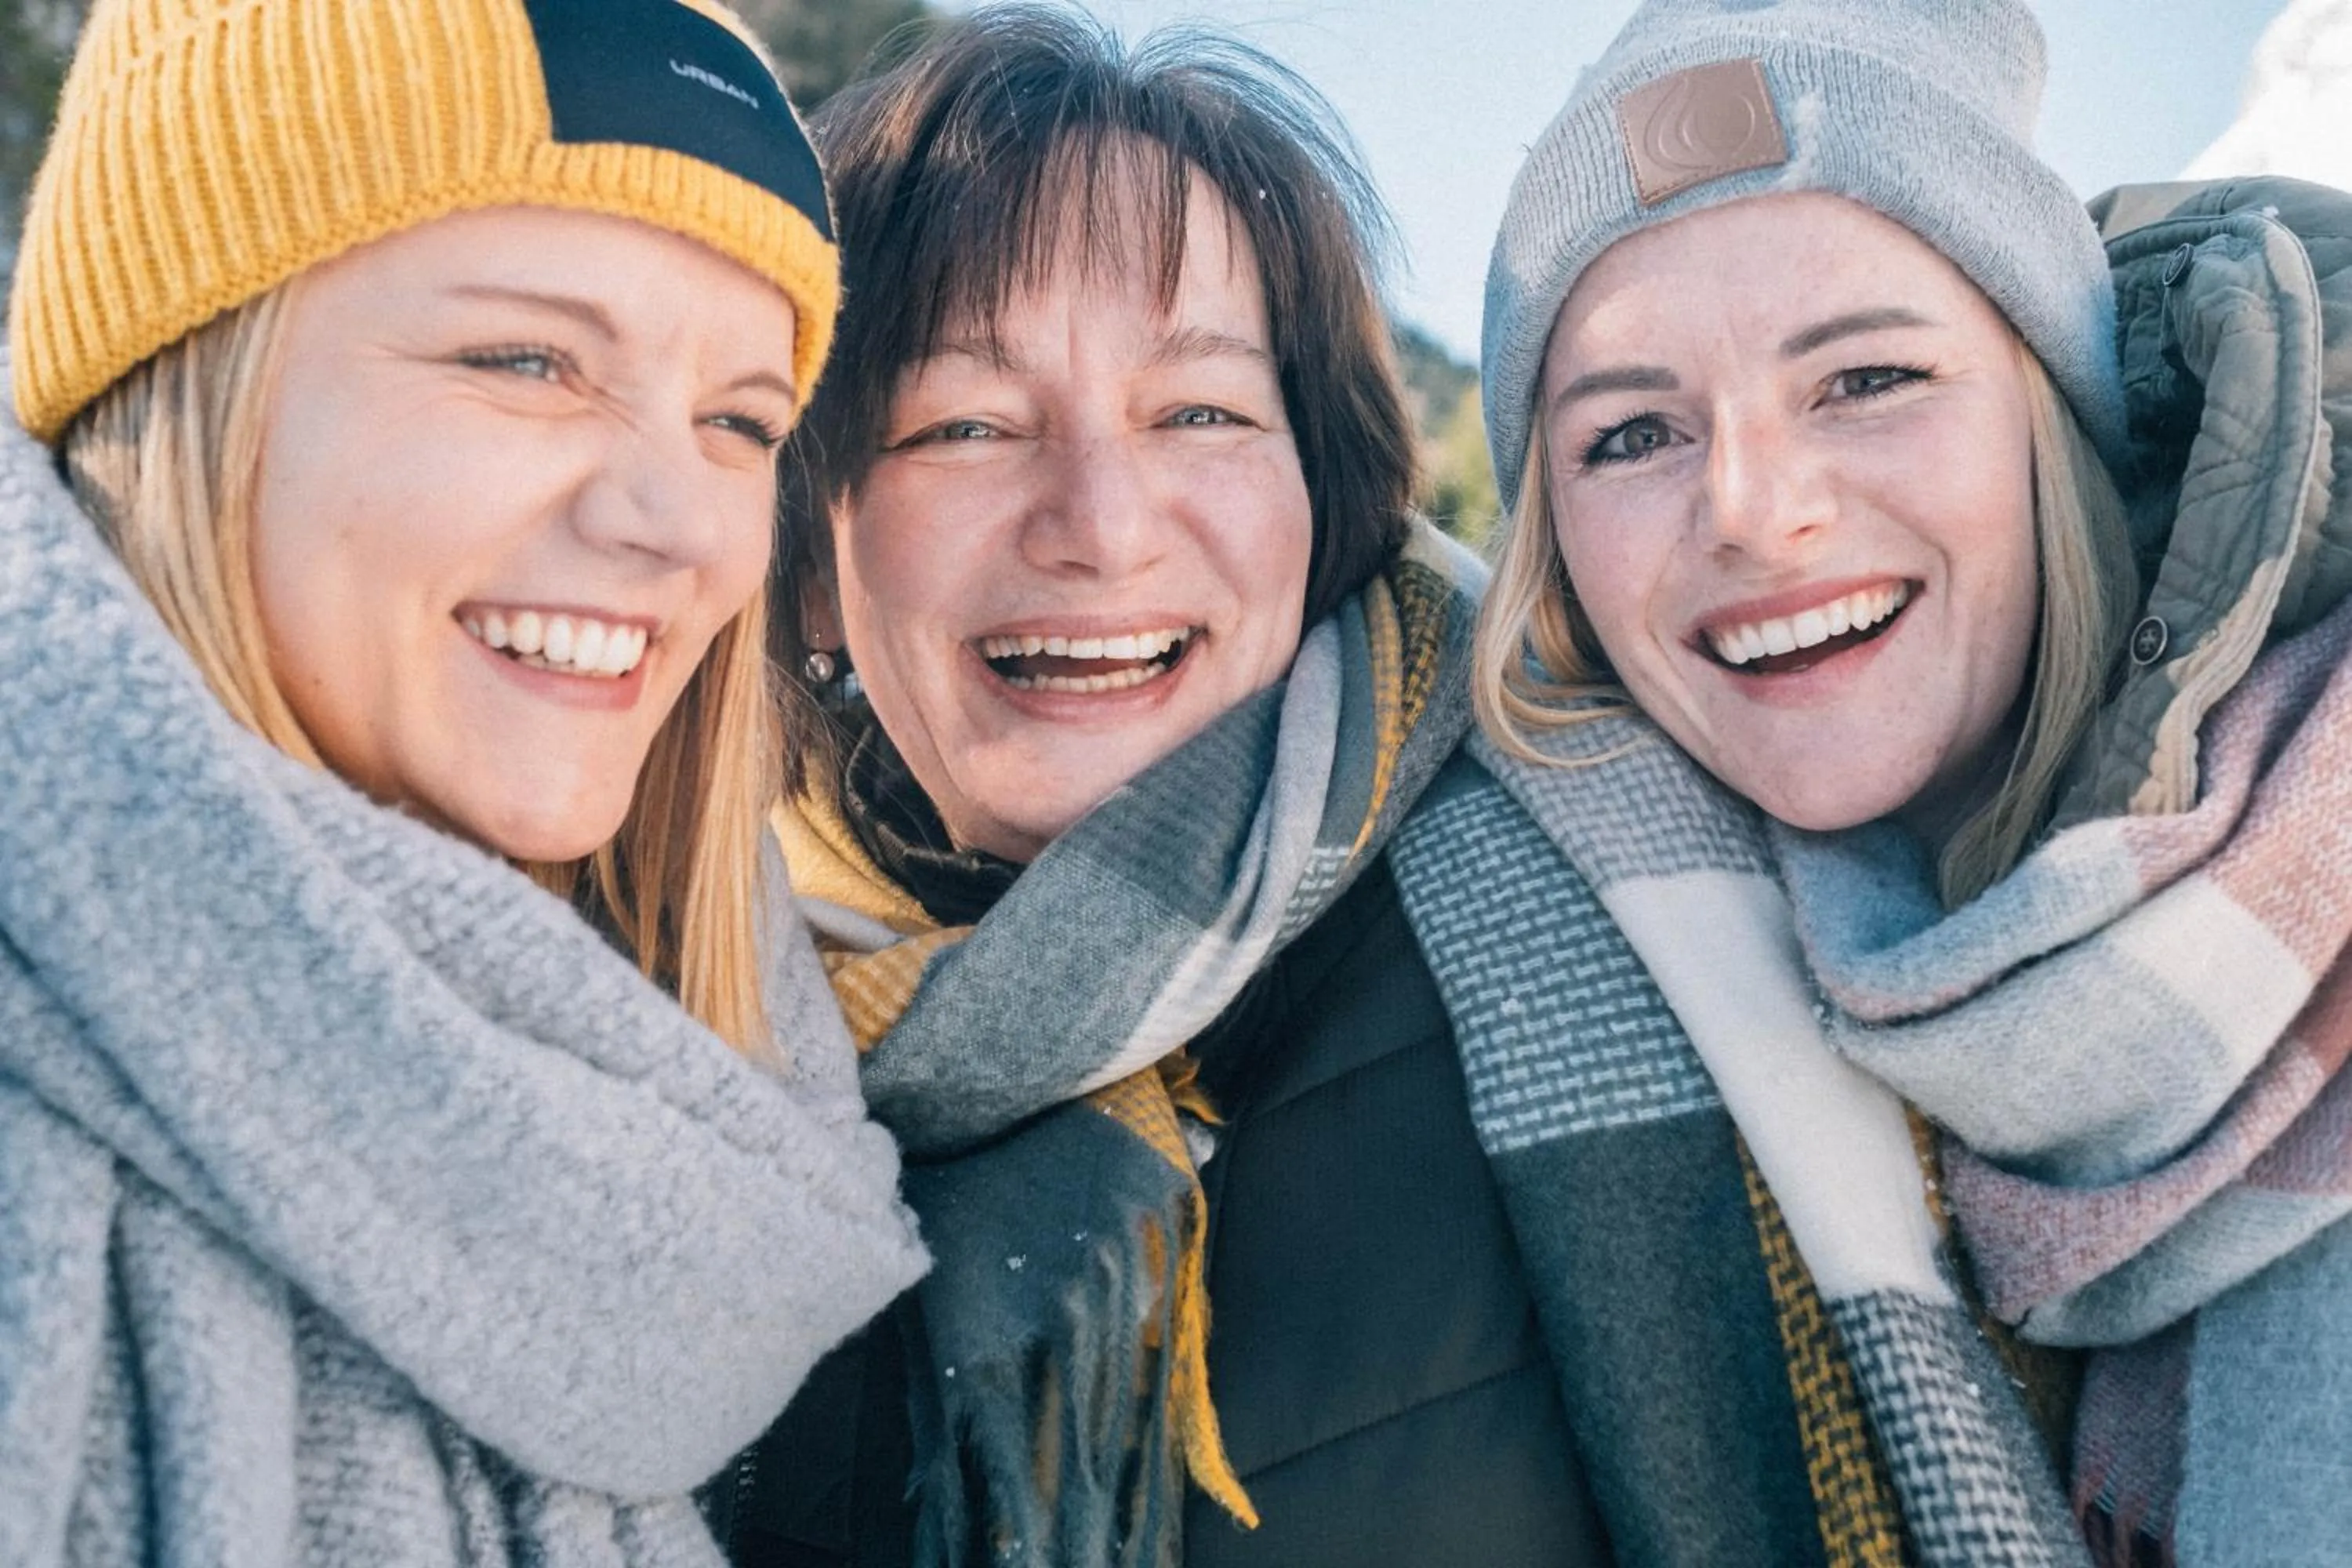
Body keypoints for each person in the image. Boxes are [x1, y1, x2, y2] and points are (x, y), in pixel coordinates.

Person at [710, 5, 2075, 1566]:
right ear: (807, 558)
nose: (1100, 523)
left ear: (1326, 498)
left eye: (1201, 412)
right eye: (964, 424)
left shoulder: (1665, 890)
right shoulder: (682, 1072)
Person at [0, 1, 925, 1563]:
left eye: (739, 421)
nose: (677, 524)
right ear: (187, 370)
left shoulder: (732, 1125)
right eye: (528, 360)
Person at [1470, 1, 2352, 1563]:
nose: (1752, 512)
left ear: (2053, 413)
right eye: (1633, 433)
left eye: (1865, 378)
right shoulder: (1550, 963)